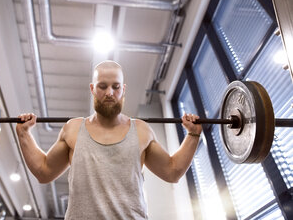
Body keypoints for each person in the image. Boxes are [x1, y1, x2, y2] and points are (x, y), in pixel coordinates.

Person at [16, 60, 202, 219]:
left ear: (123, 89)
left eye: (116, 86)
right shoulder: (73, 129)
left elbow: (172, 171)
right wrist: (24, 134)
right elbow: (44, 171)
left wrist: (193, 135)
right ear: (92, 88)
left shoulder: (141, 131)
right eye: (102, 86)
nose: (109, 93)